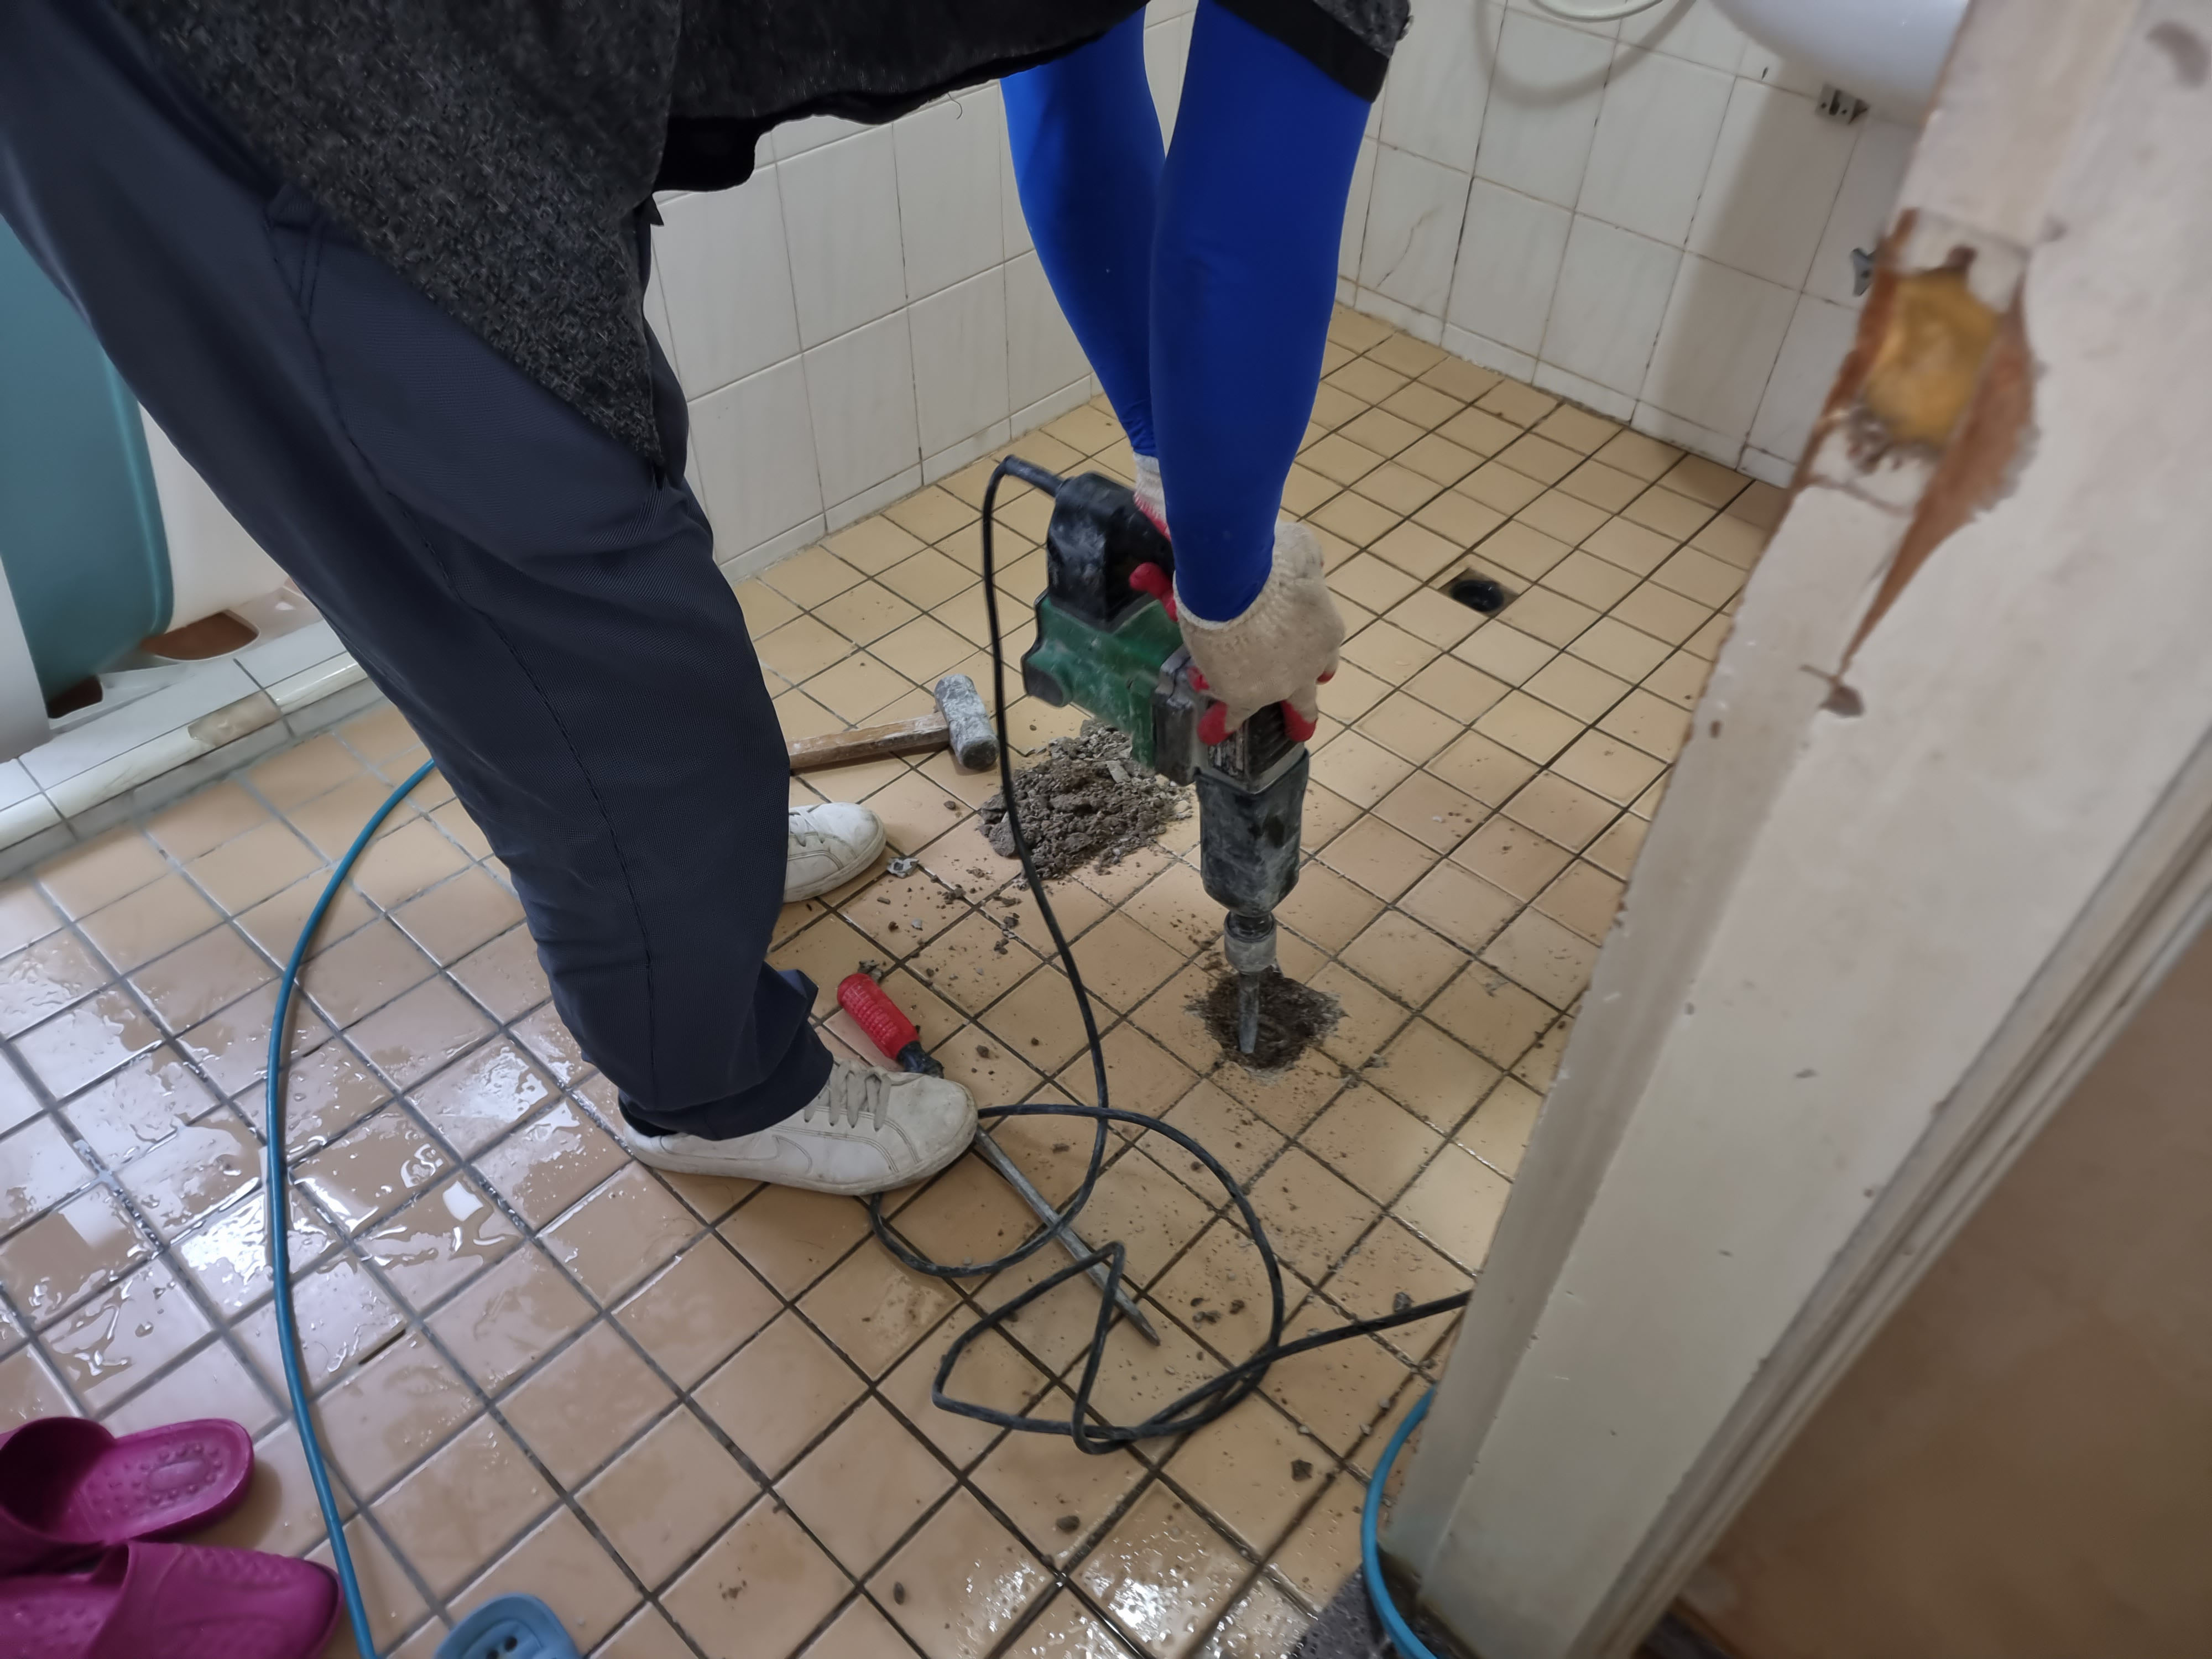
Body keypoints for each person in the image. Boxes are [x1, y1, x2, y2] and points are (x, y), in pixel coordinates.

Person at [0, 0, 1404, 1197]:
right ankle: (708, 1090)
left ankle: (700, 878)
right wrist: (1231, 586)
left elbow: (1074, 86)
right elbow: (1226, 247)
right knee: (581, 619)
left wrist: (1176, 474)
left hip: (448, 65)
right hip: (266, 68)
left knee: (593, 441)